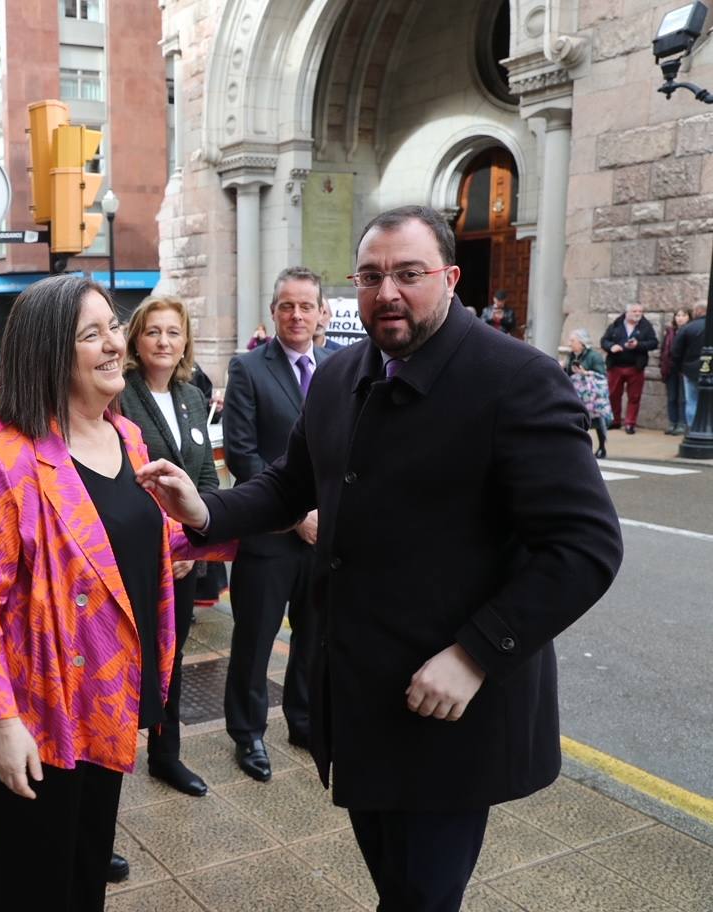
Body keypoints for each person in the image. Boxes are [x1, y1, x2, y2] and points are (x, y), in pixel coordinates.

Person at [137, 206, 623, 912]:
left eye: (408, 273)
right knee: (395, 887)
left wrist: (476, 654)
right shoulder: (341, 377)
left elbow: (586, 547)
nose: (387, 291)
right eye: (370, 276)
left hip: (453, 706)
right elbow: (288, 484)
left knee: (423, 897)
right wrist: (206, 511)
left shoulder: (515, 379)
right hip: (362, 698)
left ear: (450, 279)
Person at [0, 275, 233, 911]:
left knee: (86, 872)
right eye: (92, 334)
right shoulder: (11, 456)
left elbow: (154, 546)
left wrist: (240, 526)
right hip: (41, 710)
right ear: (52, 354)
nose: (115, 343)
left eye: (113, 325)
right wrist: (2, 721)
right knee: (35, 885)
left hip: (110, 695)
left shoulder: (127, 437)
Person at [221, 265, 332, 778]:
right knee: (255, 640)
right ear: (273, 312)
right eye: (287, 305)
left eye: (305, 305)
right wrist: (296, 515)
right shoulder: (248, 369)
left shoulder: (337, 367)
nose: (296, 315)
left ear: (320, 312)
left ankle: (303, 720)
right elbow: (243, 455)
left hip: (324, 538)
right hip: (269, 536)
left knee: (313, 638)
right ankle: (248, 735)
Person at [116, 294, 219, 798]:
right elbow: (122, 480)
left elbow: (205, 478)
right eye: (154, 331)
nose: (163, 341)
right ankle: (108, 762)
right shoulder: (120, 395)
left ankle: (166, 754)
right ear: (136, 337)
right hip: (134, 555)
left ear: (185, 342)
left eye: (173, 333)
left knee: (172, 657)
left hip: (182, 561)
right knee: (123, 659)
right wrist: (166, 542)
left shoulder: (192, 396)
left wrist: (192, 545)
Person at [600, 302, 658, 434]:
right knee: (613, 394)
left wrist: (638, 345)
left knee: (634, 396)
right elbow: (604, 341)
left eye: (640, 311)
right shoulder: (616, 325)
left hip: (635, 366)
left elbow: (653, 343)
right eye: (634, 311)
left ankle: (630, 423)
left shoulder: (646, 326)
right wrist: (611, 347)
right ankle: (615, 421)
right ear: (627, 312)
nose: (638, 314)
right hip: (616, 365)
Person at [564, 328, 611, 458]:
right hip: (577, 394)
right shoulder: (571, 355)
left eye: (572, 340)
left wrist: (585, 372)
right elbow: (568, 373)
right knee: (577, 421)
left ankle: (602, 447)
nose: (570, 343)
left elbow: (601, 374)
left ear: (581, 342)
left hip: (592, 398)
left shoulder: (594, 356)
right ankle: (579, 448)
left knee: (596, 421)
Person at [671, 303, 707, 430]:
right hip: (708, 369)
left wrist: (679, 368)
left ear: (697, 311)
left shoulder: (687, 328)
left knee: (692, 401)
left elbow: (675, 351)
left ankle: (692, 429)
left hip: (690, 370)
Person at [660, 307, 692, 434]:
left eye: (683, 315)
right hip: (671, 368)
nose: (680, 318)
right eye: (678, 315)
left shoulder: (690, 330)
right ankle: (672, 422)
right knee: (672, 397)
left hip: (684, 369)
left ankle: (682, 424)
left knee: (684, 398)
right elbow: (664, 350)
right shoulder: (670, 332)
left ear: (689, 317)